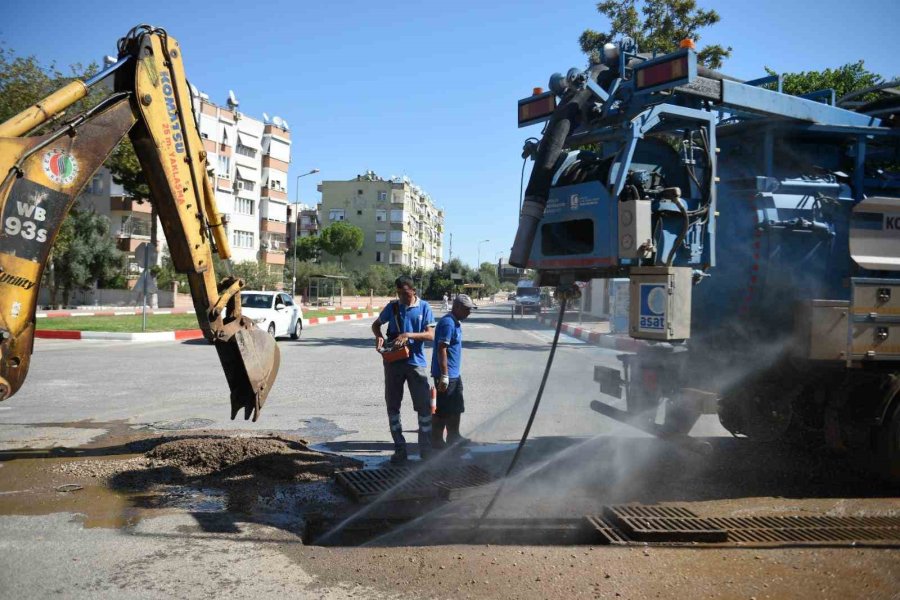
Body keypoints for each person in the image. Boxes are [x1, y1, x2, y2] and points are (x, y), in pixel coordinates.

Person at [371, 275, 436, 464]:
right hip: (393, 363)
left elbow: (431, 335)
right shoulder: (393, 307)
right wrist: (379, 336)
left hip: (416, 363)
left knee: (424, 407)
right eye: (399, 294)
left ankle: (425, 449)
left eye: (405, 294)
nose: (402, 297)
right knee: (393, 406)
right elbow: (376, 325)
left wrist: (409, 335)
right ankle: (400, 449)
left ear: (413, 291)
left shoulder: (424, 307)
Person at [431, 293, 476, 451]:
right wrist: (444, 375)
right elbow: (441, 349)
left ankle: (454, 436)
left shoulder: (455, 322)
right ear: (457, 307)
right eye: (467, 309)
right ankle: (436, 440)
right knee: (443, 409)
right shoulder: (448, 323)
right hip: (446, 375)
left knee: (456, 407)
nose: (469, 312)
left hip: (454, 374)